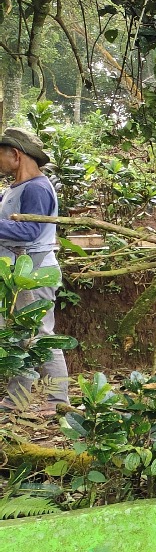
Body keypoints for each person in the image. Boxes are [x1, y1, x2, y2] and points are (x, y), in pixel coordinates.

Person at [0, 126, 70, 412]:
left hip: (34, 271)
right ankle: (17, 401)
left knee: (40, 335)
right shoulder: (15, 189)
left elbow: (29, 231)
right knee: (20, 337)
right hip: (18, 273)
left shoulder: (37, 188)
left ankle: (58, 402)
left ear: (16, 155)